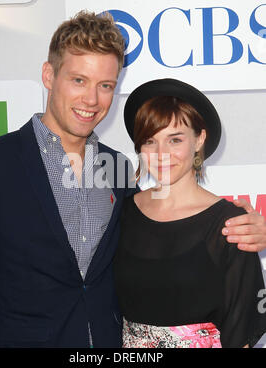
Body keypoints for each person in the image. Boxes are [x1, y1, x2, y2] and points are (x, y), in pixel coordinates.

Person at [0, 11, 265, 348]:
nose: (91, 100)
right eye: (79, 80)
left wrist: (250, 226)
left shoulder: (117, 170)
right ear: (49, 75)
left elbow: (168, 231)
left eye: (105, 85)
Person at [114, 78, 266, 348]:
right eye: (150, 141)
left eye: (175, 140)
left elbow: (242, 329)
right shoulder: (122, 211)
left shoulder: (230, 224)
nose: (161, 154)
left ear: (200, 139)